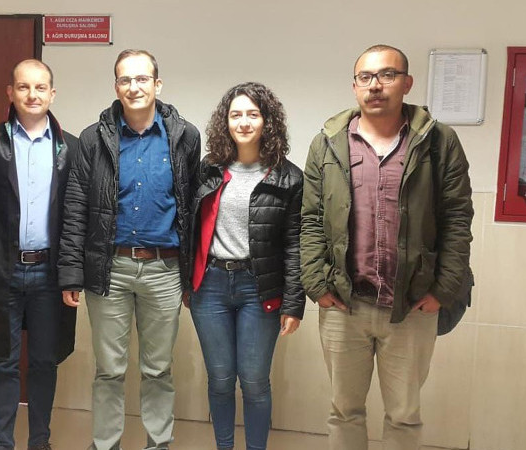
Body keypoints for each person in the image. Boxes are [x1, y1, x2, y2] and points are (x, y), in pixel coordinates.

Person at [300, 44, 474, 449]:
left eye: (387, 75)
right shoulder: (327, 143)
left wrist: (443, 289)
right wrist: (316, 285)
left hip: (412, 305)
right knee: (344, 411)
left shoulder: (438, 142)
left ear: (407, 83)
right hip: (344, 304)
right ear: (354, 86)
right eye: (365, 77)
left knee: (403, 416)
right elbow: (309, 218)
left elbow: (457, 219)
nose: (375, 85)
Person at [57, 49, 201, 450]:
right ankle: (106, 444)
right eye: (125, 79)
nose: (134, 87)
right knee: (109, 370)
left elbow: (192, 207)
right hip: (111, 269)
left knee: (158, 369)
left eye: (142, 79)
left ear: (157, 84)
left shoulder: (185, 136)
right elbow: (76, 207)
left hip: (165, 271)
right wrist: (71, 273)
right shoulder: (93, 137)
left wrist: (192, 275)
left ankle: (159, 443)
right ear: (116, 86)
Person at [0, 59, 78, 450]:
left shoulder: (71, 148)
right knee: (3, 362)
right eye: (23, 87)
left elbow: (78, 217)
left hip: (50, 275)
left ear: (52, 94)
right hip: (1, 271)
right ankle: (2, 443)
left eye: (40, 87)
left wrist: (75, 274)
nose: (32, 95)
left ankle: (39, 441)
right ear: (10, 92)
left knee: (44, 362)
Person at [189, 82, 305, 450]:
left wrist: (294, 303)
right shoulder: (208, 170)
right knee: (221, 380)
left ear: (267, 121)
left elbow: (295, 244)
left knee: (254, 382)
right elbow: (189, 228)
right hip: (211, 286)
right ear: (225, 122)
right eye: (235, 114)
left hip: (260, 288)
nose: (243, 122)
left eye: (252, 114)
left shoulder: (288, 177)